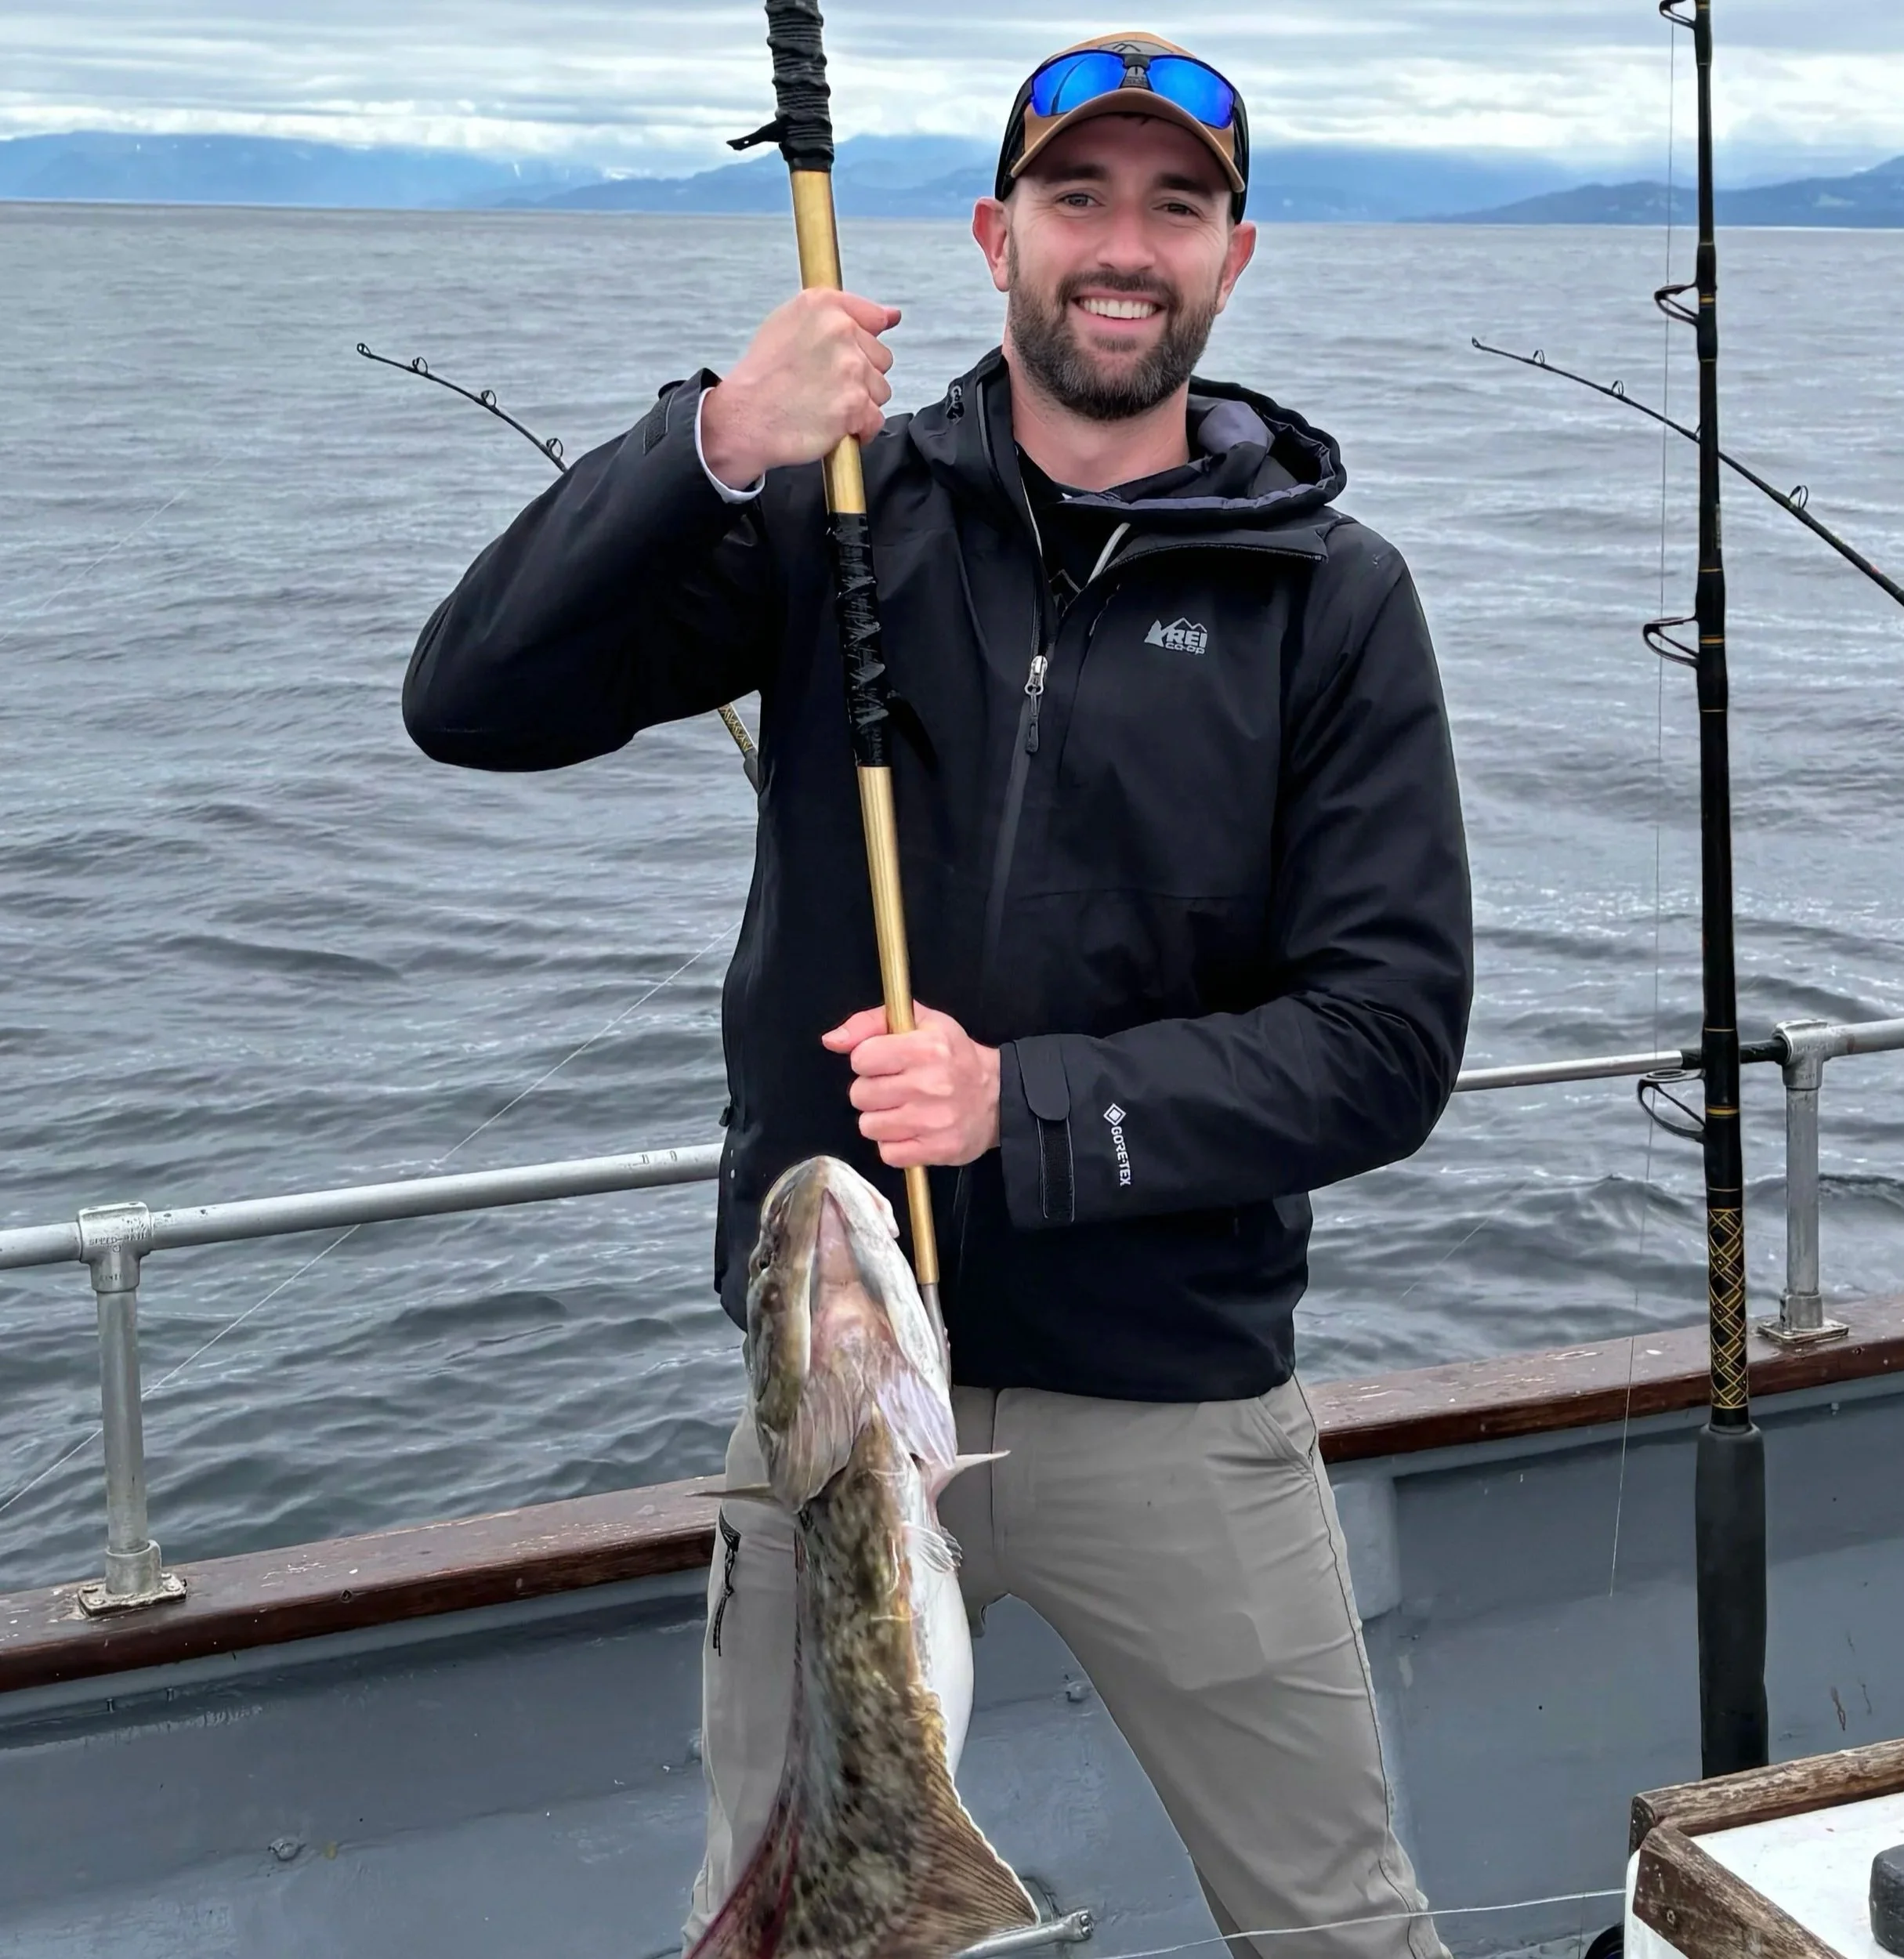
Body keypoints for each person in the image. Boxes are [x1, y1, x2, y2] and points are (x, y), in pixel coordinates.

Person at [404, 31, 1472, 1959]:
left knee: (1337, 1920)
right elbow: (469, 700)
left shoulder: (1332, 598)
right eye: (1077, 198)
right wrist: (711, 438)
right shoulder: (839, 514)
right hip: (827, 1394)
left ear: (1237, 255)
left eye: (1174, 206)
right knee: (782, 1912)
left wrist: (1028, 1104)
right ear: (996, 235)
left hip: (1174, 1392)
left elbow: (1386, 1039)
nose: (1121, 246)